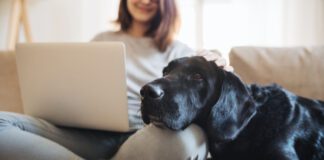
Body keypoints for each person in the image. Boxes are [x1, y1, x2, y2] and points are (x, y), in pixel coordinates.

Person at [0, 0, 231, 159]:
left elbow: (212, 88)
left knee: (182, 142)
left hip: (145, 136)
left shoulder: (179, 52)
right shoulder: (101, 40)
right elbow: (75, 86)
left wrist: (218, 63)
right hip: (87, 133)